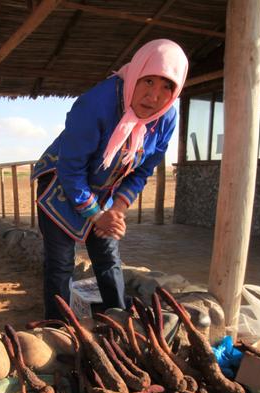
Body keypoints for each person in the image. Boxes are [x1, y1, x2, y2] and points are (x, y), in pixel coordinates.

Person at [31, 39, 189, 320]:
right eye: (148, 81)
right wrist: (95, 214)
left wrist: (116, 210)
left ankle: (118, 317)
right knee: (61, 263)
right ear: (135, 73)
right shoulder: (95, 104)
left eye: (167, 86)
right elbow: (71, 171)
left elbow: (142, 170)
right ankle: (57, 327)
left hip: (105, 191)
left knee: (107, 258)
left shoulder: (166, 118)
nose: (154, 96)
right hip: (61, 185)